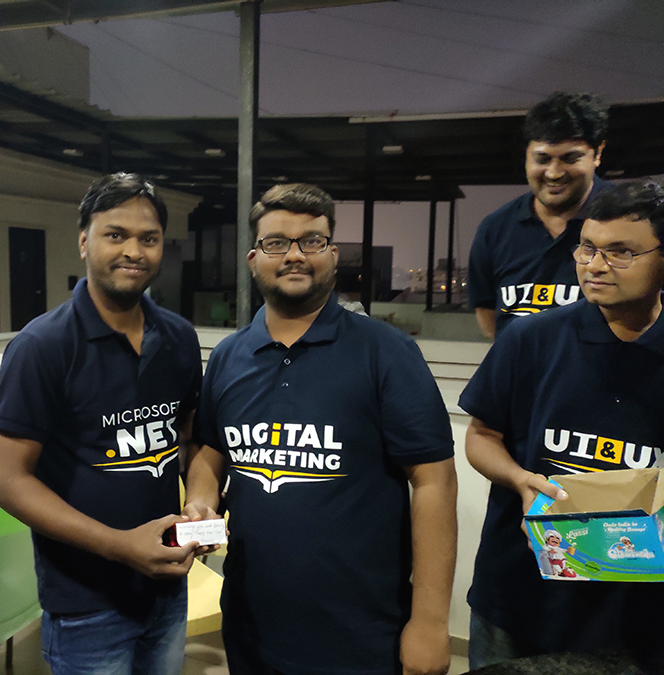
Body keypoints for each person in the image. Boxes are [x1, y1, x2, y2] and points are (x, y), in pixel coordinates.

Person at [184, 183, 458, 675]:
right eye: (276, 242)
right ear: (253, 259)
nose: (294, 255)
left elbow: (434, 482)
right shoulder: (228, 356)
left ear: (333, 255)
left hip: (361, 630)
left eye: (311, 241)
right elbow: (210, 449)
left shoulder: (386, 353)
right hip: (251, 622)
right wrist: (201, 501)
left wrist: (431, 621)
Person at [0, 172, 203, 675]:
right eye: (116, 235)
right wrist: (119, 546)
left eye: (148, 239)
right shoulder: (41, 347)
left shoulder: (179, 338)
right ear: (84, 241)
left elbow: (190, 438)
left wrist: (199, 501)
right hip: (86, 606)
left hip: (166, 589)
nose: (133, 251)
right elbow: (8, 481)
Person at [460, 180, 664, 671]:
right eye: (587, 248)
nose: (595, 265)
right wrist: (519, 479)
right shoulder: (531, 337)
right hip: (517, 596)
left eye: (621, 252)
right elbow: (482, 436)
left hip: (636, 614)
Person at [468, 92, 610, 340]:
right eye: (542, 159)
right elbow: (487, 311)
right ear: (526, 156)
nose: (554, 173)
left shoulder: (631, 220)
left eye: (570, 158)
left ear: (597, 154)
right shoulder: (495, 228)